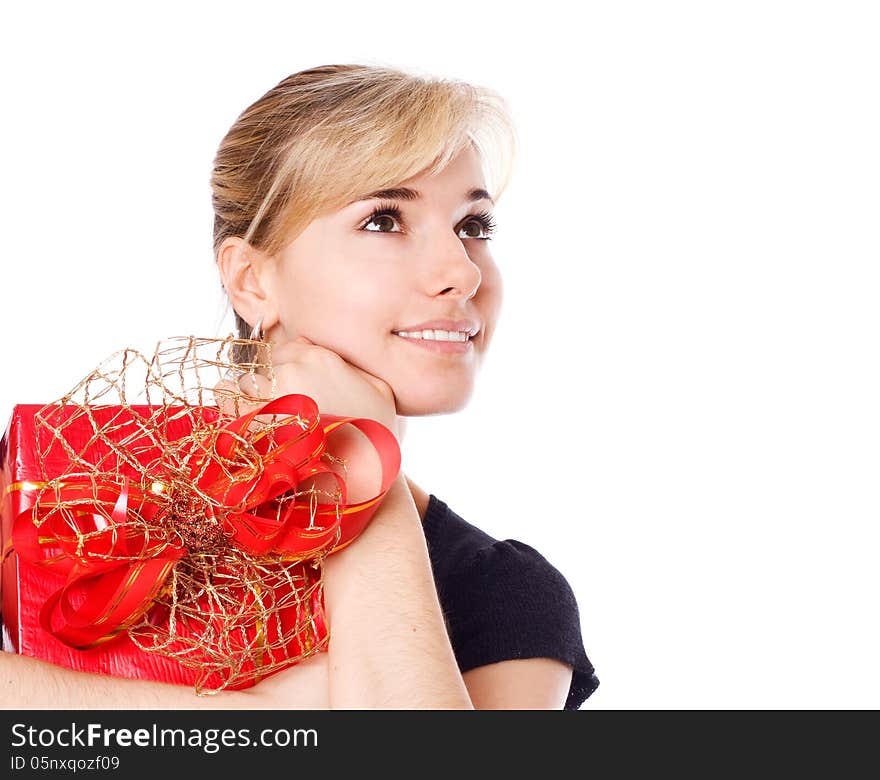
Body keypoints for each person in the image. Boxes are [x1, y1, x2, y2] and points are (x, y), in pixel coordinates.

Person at [1, 63, 598, 709]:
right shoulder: (49, 484)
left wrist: (356, 473)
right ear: (252, 280)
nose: (463, 271)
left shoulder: (505, 592)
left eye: (474, 227)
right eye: (384, 219)